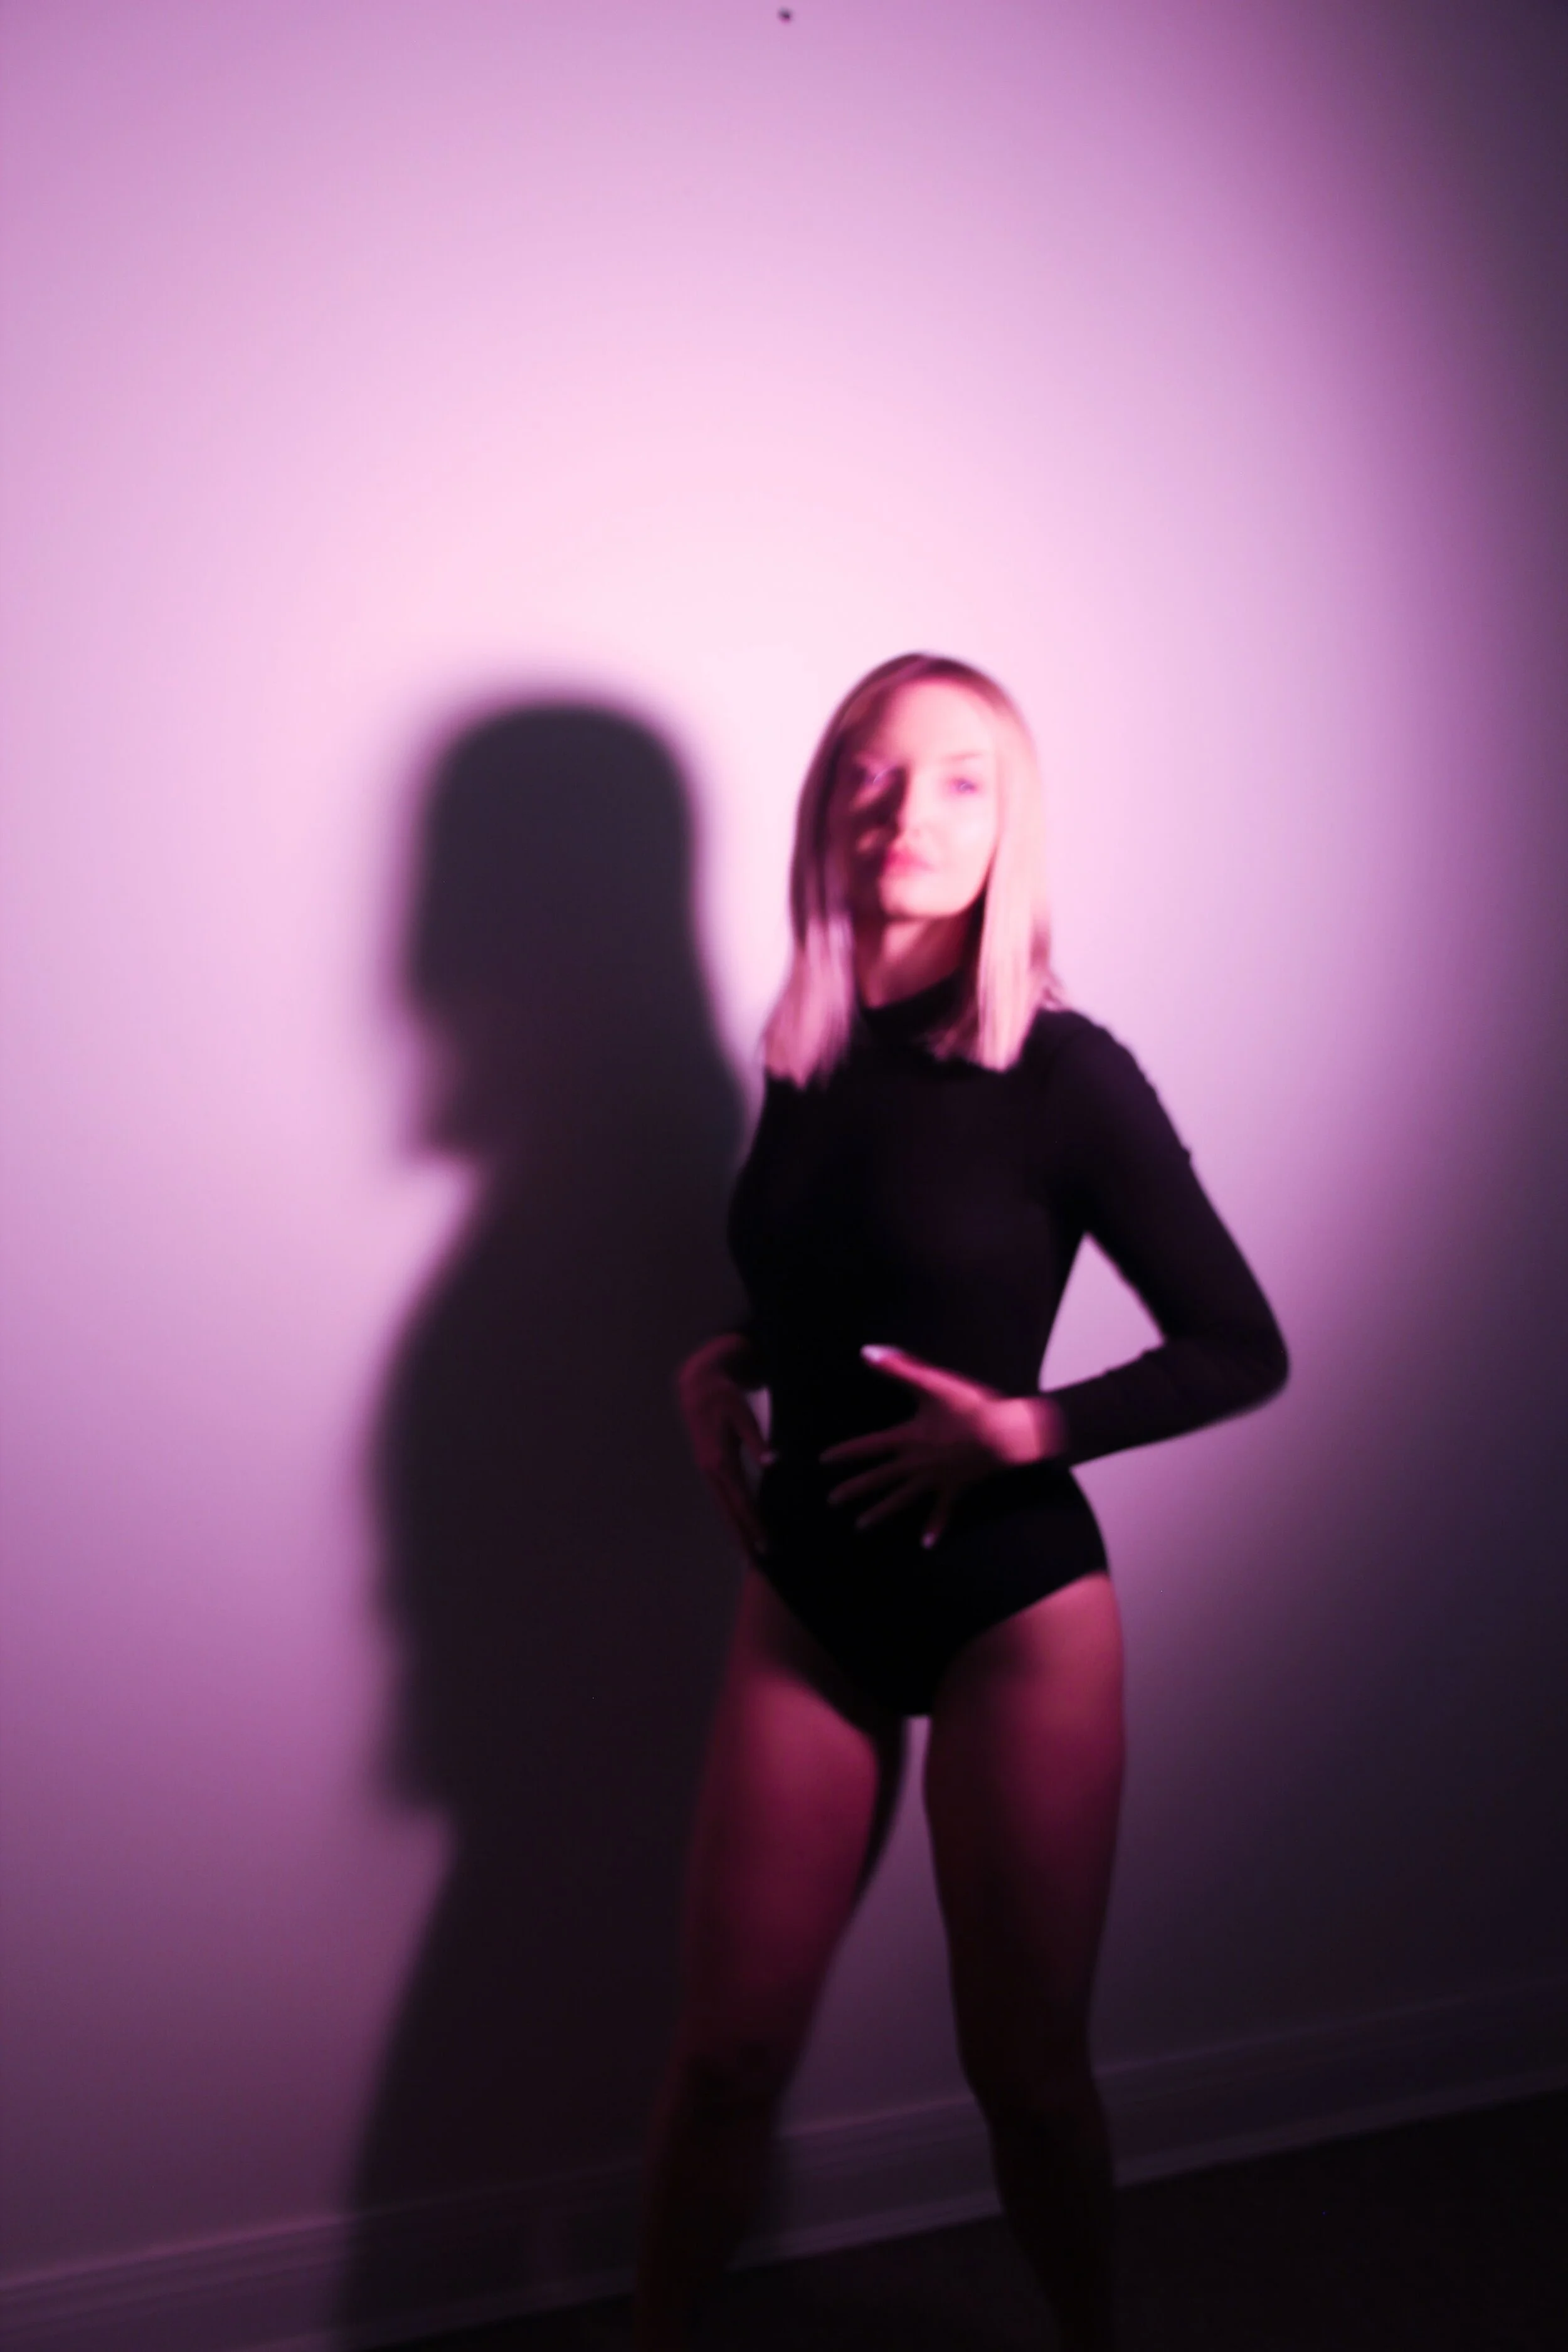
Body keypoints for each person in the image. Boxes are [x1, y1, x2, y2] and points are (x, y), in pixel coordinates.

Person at [633, 654, 1288, 2351]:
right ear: (823, 809)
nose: (906, 814)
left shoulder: (1067, 1074)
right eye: (870, 773)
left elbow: (1240, 1348)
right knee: (725, 2058)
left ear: (1013, 825)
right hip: (812, 1595)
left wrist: (1023, 1431)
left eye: (959, 780)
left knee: (1028, 2075)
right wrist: (722, 1360)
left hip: (1010, 1602)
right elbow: (826, 1281)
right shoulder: (804, 1055)